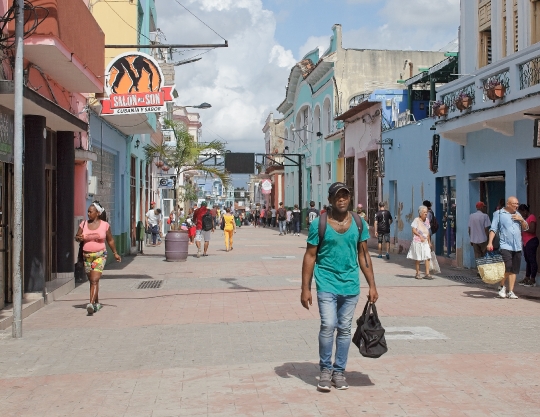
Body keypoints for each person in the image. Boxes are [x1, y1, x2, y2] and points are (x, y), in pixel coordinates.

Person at [301, 182, 377, 391]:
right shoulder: (320, 224)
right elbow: (310, 255)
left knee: (344, 329)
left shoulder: (359, 223)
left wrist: (372, 285)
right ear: (331, 200)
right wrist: (305, 288)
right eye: (337, 196)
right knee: (328, 325)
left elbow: (363, 254)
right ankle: (325, 369)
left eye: (345, 196)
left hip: (351, 285)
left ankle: (339, 371)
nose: (341, 199)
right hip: (326, 281)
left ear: (350, 198)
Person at [75, 201, 121, 316]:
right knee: (92, 281)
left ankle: (90, 304)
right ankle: (96, 303)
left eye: (91, 212)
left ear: (98, 213)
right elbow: (77, 237)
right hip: (86, 256)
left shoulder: (105, 225)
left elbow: (110, 240)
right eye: (88, 212)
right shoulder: (84, 224)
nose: (88, 214)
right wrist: (79, 238)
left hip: (100, 255)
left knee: (94, 280)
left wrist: (115, 253)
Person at [487, 196, 529, 299]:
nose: (516, 206)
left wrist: (522, 220)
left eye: (517, 204)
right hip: (505, 245)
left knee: (514, 269)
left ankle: (511, 291)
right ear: (508, 204)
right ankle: (501, 286)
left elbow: (526, 228)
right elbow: (493, 229)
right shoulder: (499, 214)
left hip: (517, 246)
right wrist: (490, 242)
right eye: (514, 204)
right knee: (507, 266)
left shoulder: (518, 214)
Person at [407, 205, 432, 279]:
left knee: (427, 256)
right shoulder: (416, 220)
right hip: (417, 241)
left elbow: (428, 232)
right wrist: (419, 235)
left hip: (425, 241)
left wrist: (429, 242)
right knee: (418, 257)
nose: (426, 213)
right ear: (420, 213)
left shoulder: (427, 221)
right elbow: (413, 230)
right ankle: (417, 273)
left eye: (426, 212)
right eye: (424, 212)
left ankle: (427, 273)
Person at [518, 204, 538, 287]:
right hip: (526, 242)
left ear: (525, 211)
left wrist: (524, 228)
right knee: (527, 260)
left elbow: (532, 230)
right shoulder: (525, 219)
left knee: (532, 260)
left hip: (531, 241)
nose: (521, 215)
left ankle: (533, 279)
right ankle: (527, 277)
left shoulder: (532, 217)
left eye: (521, 213)